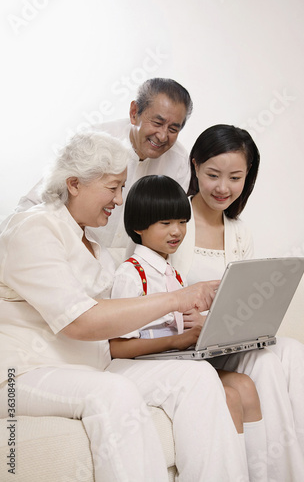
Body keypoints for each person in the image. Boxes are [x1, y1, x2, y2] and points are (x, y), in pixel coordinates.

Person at [0, 131, 251, 482]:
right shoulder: (33, 228)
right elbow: (80, 323)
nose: (120, 200)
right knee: (113, 393)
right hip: (23, 374)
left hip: (97, 364)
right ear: (74, 184)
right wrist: (177, 299)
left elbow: (115, 324)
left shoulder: (94, 246)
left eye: (122, 188)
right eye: (113, 187)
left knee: (195, 377)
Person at [171, 124, 304, 482]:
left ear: (248, 178)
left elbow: (239, 295)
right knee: (264, 364)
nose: (222, 188)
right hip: (185, 343)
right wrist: (189, 320)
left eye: (235, 177)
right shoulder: (170, 218)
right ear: (195, 166)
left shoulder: (239, 230)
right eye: (213, 174)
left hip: (223, 339)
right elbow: (150, 286)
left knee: (294, 353)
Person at [110, 174, 267, 482]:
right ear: (138, 226)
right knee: (230, 397)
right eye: (165, 223)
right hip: (140, 365)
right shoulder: (132, 274)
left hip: (174, 360)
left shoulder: (175, 275)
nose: (177, 231)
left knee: (245, 387)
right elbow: (118, 347)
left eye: (182, 221)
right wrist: (180, 340)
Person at [3, 78, 193, 255]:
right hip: (73, 256)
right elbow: (39, 201)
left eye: (173, 129)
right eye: (157, 123)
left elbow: (169, 228)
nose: (162, 136)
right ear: (134, 113)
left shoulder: (178, 162)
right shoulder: (94, 140)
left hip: (132, 270)